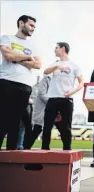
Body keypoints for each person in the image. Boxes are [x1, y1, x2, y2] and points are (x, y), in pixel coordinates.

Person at [0, 15, 42, 150]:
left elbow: (38, 64)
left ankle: (11, 157)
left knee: (16, 124)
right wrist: (28, 57)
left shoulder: (33, 45)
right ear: (21, 23)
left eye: (34, 27)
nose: (33, 29)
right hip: (7, 82)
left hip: (25, 87)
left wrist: (16, 57)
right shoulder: (7, 38)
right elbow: (7, 55)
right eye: (31, 25)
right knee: (2, 120)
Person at [42, 42, 84, 150]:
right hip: (52, 99)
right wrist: (56, 66)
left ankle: (67, 150)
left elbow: (81, 83)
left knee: (66, 127)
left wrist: (72, 92)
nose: (54, 50)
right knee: (47, 126)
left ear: (63, 49)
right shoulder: (54, 63)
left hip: (66, 100)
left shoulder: (74, 66)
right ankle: (44, 150)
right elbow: (45, 72)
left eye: (56, 48)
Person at [25, 75, 62, 149]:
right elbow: (42, 94)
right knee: (38, 128)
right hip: (43, 108)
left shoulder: (60, 80)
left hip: (54, 109)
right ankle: (26, 147)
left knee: (53, 128)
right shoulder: (46, 79)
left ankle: (44, 148)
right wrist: (53, 103)